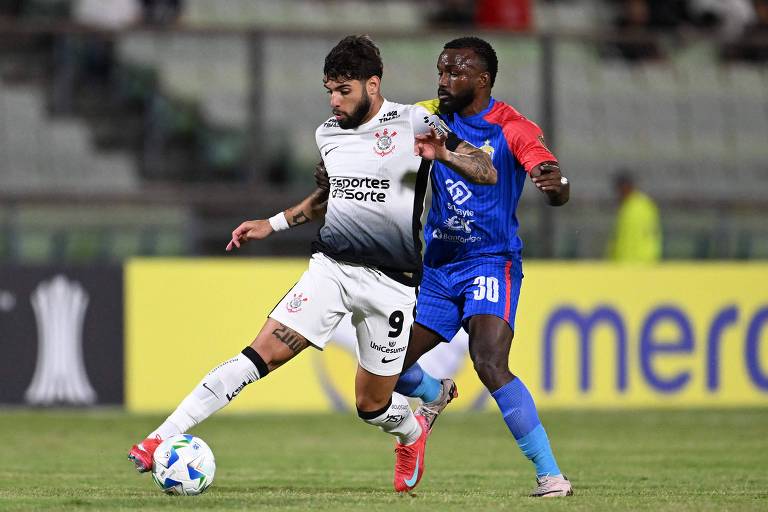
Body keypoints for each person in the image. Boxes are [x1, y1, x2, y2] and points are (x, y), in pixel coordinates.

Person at [127, 34, 496, 494]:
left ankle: (411, 432)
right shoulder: (329, 134)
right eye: (330, 91)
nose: (335, 101)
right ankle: (160, 438)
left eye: (344, 91)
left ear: (373, 84)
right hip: (332, 270)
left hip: (393, 284)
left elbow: (486, 169)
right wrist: (273, 223)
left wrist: (441, 153)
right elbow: (329, 196)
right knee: (257, 356)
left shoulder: (415, 122)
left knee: (370, 405)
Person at [337, 36, 573, 498]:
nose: (444, 80)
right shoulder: (428, 114)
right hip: (438, 269)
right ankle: (433, 393)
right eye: (441, 71)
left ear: (482, 80)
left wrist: (555, 185)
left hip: (490, 261)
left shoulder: (512, 126)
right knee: (387, 365)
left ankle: (550, 475)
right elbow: (377, 125)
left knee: (488, 361)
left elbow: (551, 177)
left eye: (455, 72)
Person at [606, 170, 662, 263]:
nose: (618, 194)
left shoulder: (634, 207)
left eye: (619, 189)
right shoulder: (644, 205)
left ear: (626, 186)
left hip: (635, 263)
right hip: (642, 262)